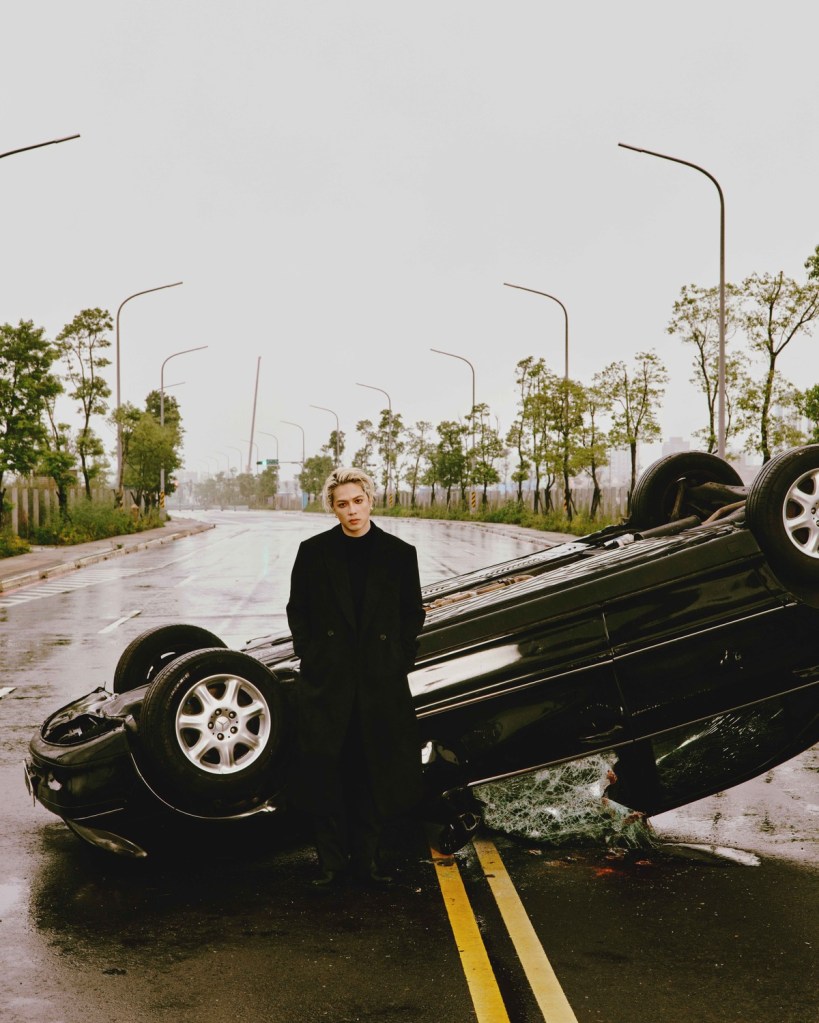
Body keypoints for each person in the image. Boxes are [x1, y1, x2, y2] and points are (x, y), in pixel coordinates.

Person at [286, 467, 426, 887]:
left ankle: (369, 861)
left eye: (358, 501)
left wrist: (398, 659)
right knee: (326, 770)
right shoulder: (313, 552)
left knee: (374, 770)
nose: (352, 511)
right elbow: (298, 611)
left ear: (370, 501)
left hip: (379, 681)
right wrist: (312, 655)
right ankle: (331, 864)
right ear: (332, 508)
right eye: (342, 504)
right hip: (329, 681)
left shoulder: (399, 554)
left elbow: (412, 613)